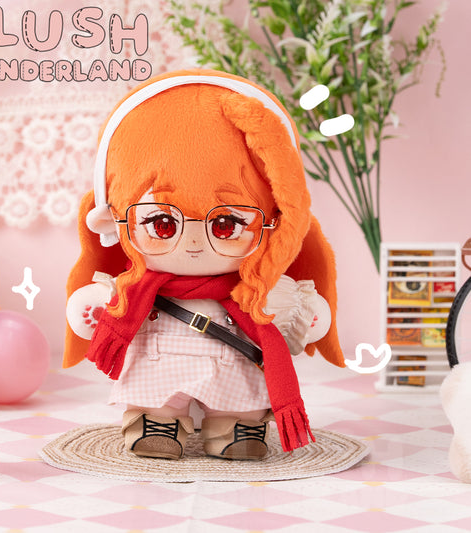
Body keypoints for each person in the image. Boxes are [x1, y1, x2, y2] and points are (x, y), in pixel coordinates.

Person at [64, 70, 344, 460]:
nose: (195, 242)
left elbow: (293, 308)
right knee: (155, 396)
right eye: (163, 223)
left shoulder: (254, 289)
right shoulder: (136, 288)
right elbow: (104, 301)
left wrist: (304, 313)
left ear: (275, 223)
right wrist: (94, 305)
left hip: (233, 375)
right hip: (158, 375)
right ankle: (155, 421)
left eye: (226, 224)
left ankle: (236, 425)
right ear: (114, 218)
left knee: (241, 400)